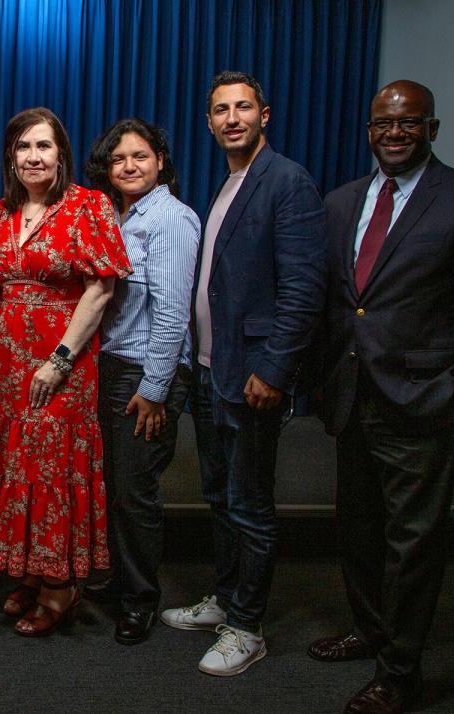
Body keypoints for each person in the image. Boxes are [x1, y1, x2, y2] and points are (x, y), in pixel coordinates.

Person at [309, 80, 454, 714]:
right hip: (353, 395)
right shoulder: (343, 201)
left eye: (408, 123)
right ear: (369, 130)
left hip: (424, 400)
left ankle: (401, 670)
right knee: (360, 530)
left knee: (412, 542)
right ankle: (372, 631)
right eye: (383, 124)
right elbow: (339, 301)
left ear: (432, 128)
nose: (394, 134)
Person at [159, 71, 326, 676]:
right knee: (221, 498)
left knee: (251, 506)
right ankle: (226, 599)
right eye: (221, 110)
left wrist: (275, 370)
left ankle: (247, 626)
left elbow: (305, 289)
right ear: (209, 122)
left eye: (243, 108)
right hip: (212, 372)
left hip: (252, 378)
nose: (232, 118)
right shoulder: (231, 184)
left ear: (265, 115)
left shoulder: (286, 183)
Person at [0, 107, 131, 637]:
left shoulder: (88, 207)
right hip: (6, 364)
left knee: (52, 467)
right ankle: (34, 572)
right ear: (12, 156)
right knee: (18, 461)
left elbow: (101, 289)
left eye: (44, 146)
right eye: (23, 147)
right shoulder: (1, 214)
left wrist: (58, 360)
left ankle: (62, 588)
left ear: (62, 154)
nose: (34, 156)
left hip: (62, 361)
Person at [84, 118, 200, 644]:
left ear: (160, 161)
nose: (129, 167)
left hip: (146, 372)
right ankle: (117, 581)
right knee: (113, 486)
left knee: (135, 492)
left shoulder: (171, 219)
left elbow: (174, 312)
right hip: (112, 365)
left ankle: (140, 600)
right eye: (119, 160)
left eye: (140, 157)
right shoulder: (115, 215)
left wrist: (155, 388)